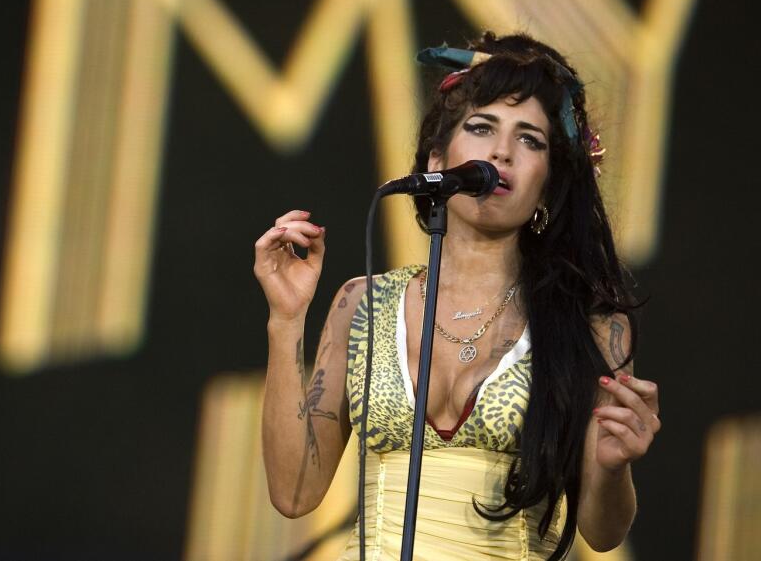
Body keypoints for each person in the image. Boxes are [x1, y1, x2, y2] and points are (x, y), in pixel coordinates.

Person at [255, 33, 659, 560]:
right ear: (437, 158)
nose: (501, 151)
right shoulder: (362, 304)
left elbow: (603, 533)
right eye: (481, 127)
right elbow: (292, 492)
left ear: (548, 182)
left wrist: (613, 467)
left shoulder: (590, 325)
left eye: (530, 139)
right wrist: (286, 320)